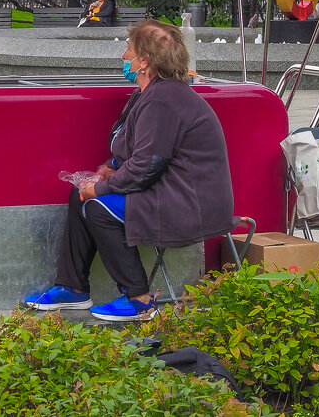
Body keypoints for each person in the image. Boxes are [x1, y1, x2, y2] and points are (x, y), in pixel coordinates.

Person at [23, 19, 235, 321]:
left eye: (129, 50)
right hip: (167, 190)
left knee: (97, 206)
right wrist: (108, 170)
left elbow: (146, 167)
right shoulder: (151, 94)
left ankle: (139, 301)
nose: (124, 57)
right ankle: (72, 288)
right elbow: (138, 153)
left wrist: (101, 187)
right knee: (79, 195)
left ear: (144, 61)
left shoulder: (163, 99)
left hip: (187, 204)